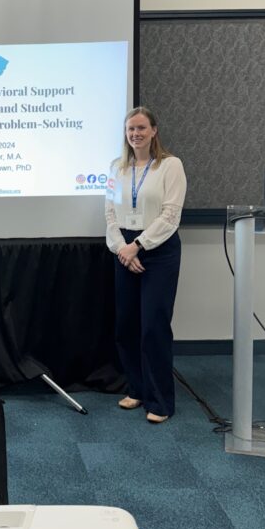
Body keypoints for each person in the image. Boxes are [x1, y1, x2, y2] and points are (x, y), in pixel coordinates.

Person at [105, 106, 186, 423]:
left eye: (140, 128)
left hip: (159, 250)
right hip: (124, 248)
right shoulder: (116, 168)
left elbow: (171, 215)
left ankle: (160, 400)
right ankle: (136, 389)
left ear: (154, 130)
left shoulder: (170, 166)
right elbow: (110, 212)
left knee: (153, 326)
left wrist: (140, 246)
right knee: (126, 325)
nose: (135, 134)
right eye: (130, 129)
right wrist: (123, 249)